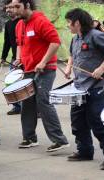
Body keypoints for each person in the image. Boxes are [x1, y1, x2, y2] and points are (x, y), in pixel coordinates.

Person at [64, 8, 104, 170]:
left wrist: (102, 68)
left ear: (77, 23)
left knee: (98, 122)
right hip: (79, 88)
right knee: (78, 122)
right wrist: (68, 69)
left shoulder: (95, 35)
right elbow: (71, 55)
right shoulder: (75, 39)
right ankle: (85, 151)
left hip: (95, 88)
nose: (68, 25)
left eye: (69, 22)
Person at [11, 0, 69, 151]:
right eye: (12, 7)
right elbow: (20, 44)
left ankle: (60, 140)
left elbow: (55, 42)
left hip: (46, 69)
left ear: (27, 5)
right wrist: (19, 58)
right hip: (28, 69)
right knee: (26, 102)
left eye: (18, 6)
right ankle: (29, 138)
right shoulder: (19, 25)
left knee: (43, 101)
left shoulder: (41, 21)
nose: (15, 10)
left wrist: (43, 62)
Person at [1, 0, 22, 115]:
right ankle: (17, 106)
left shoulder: (22, 21)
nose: (8, 10)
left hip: (26, 59)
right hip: (15, 58)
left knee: (27, 83)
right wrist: (3, 57)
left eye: (10, 7)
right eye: (7, 8)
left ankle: (36, 108)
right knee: (10, 83)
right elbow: (7, 42)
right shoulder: (8, 24)